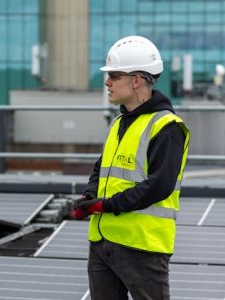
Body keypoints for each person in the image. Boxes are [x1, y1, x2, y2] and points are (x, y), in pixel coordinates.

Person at [71, 35, 190, 299]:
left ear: (136, 80)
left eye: (114, 76)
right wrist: (90, 196)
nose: (107, 82)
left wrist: (106, 205)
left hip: (142, 247)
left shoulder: (167, 128)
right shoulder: (119, 123)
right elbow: (100, 169)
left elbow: (159, 186)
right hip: (103, 243)